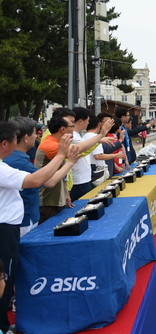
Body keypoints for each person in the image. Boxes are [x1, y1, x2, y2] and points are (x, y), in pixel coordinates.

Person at [0, 121, 76, 334]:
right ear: (6, 143)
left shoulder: (7, 162)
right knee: (5, 279)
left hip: (11, 227)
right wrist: (62, 156)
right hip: (6, 230)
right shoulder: (6, 166)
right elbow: (38, 180)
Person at [3, 117, 79, 237]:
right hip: (24, 219)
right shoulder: (17, 161)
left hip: (25, 216)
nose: (37, 136)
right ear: (26, 138)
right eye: (34, 132)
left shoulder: (17, 158)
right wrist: (66, 159)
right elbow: (48, 181)